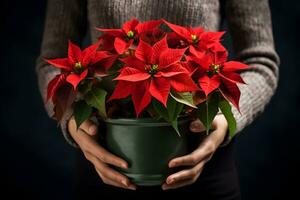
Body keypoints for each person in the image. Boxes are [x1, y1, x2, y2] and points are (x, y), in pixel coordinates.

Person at [36, 0, 279, 199]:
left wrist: (224, 120)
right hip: (104, 170)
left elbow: (261, 62)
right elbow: (51, 62)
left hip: (205, 173)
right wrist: (72, 120)